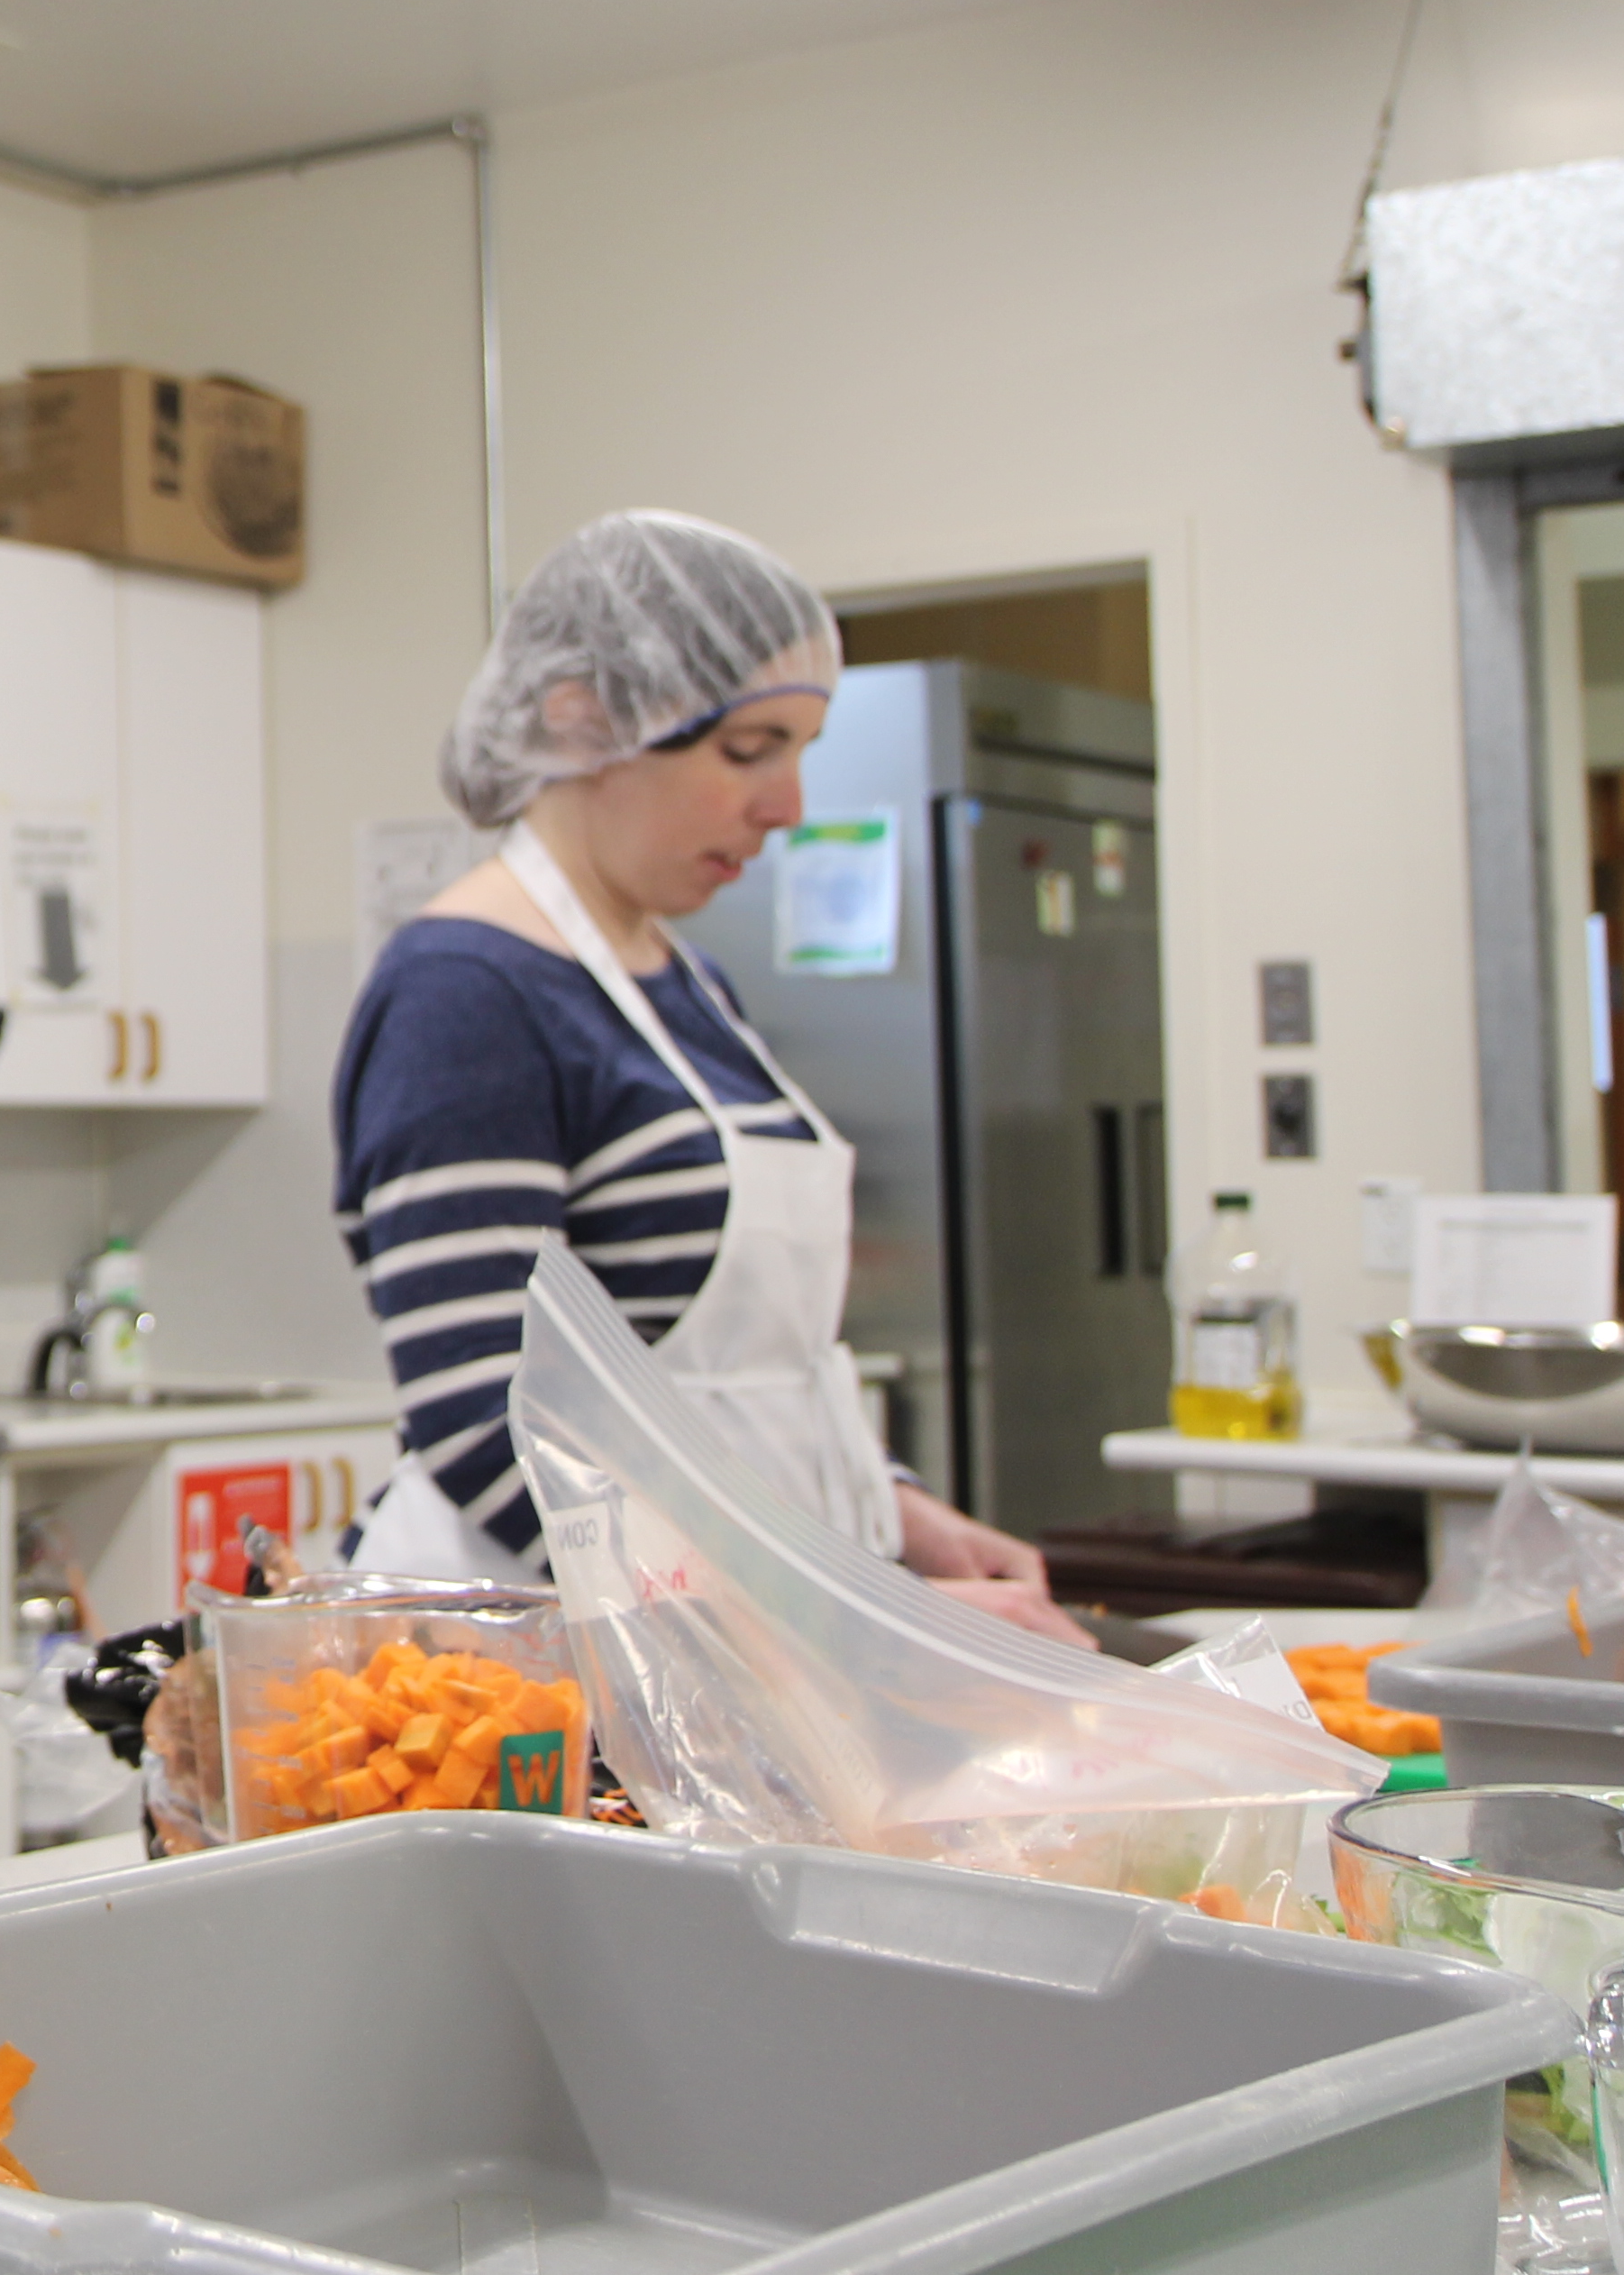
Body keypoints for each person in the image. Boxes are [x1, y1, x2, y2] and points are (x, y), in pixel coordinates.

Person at [330, 510, 1081, 1644]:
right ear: (581, 719)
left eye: (799, 753)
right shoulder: (466, 992)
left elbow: (743, 1376)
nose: (787, 807)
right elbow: (491, 1422)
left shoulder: (691, 983)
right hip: (536, 1661)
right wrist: (839, 1613)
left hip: (727, 1656)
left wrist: (897, 1509)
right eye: (747, 751)